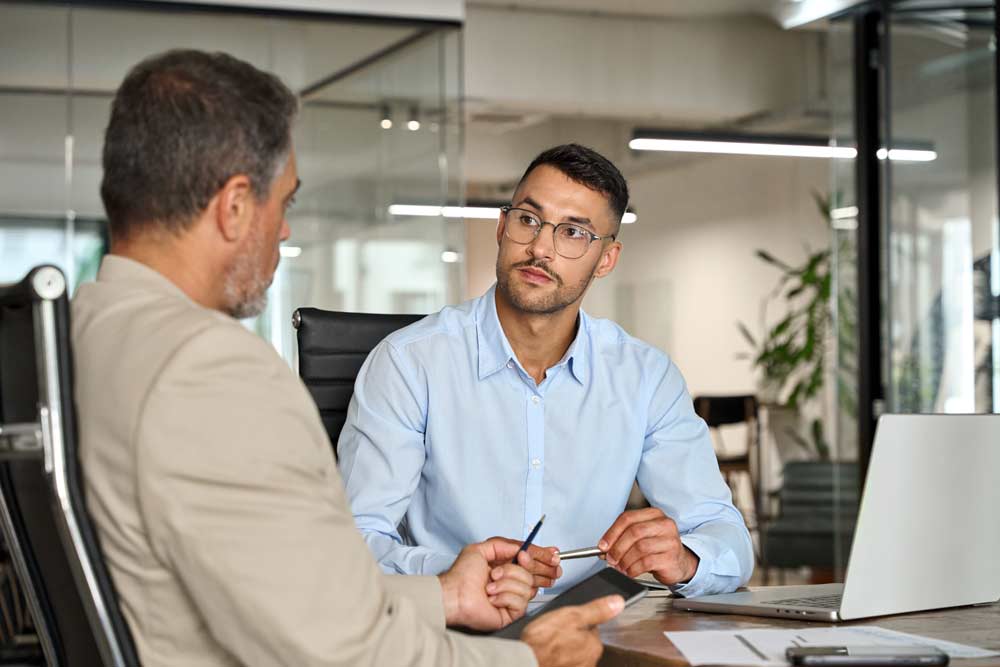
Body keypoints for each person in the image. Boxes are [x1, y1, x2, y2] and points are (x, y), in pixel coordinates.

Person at [71, 50, 622, 667]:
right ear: (233, 208)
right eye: (285, 203)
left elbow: (283, 595)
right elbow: (339, 650)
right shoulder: (211, 370)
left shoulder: (85, 336)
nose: (283, 232)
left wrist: (440, 595)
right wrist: (530, 662)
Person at [338, 144, 754, 596]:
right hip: (455, 641)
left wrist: (685, 559)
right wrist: (455, 576)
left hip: (593, 638)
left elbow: (724, 534)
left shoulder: (645, 378)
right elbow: (353, 541)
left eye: (574, 232)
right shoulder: (409, 363)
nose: (540, 248)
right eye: (528, 220)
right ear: (502, 226)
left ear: (607, 260)